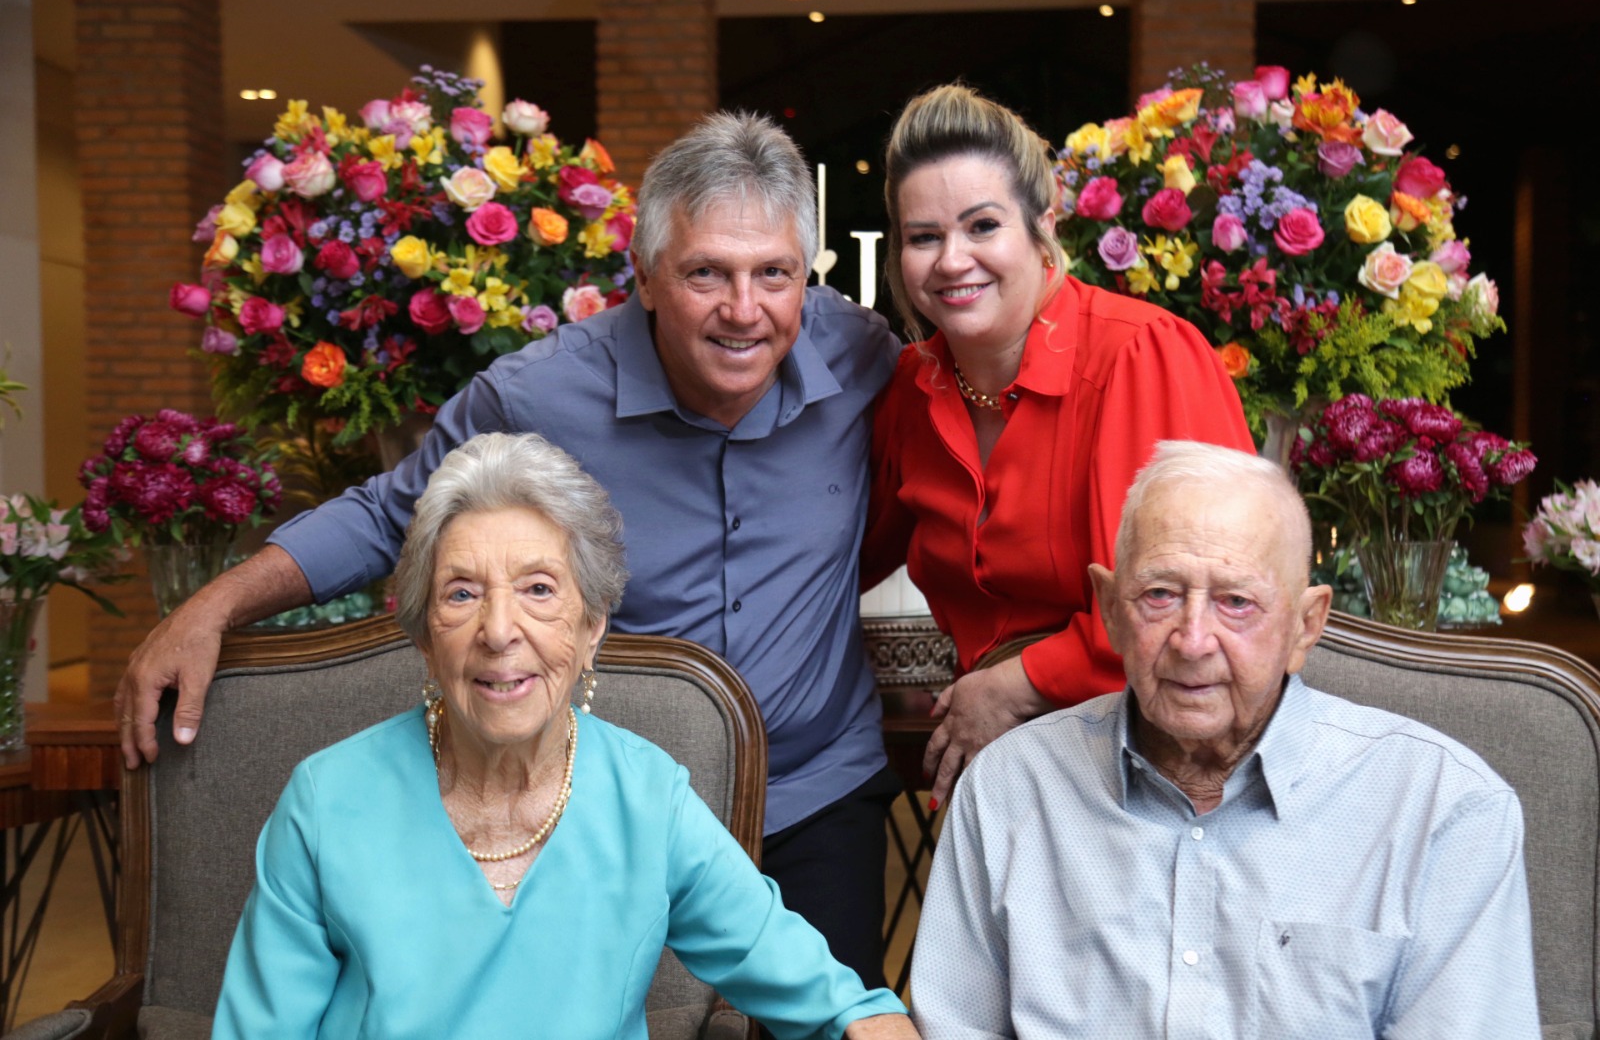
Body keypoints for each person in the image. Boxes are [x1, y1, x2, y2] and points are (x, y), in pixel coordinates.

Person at [118, 112, 903, 989]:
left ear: (809, 277)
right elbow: (390, 516)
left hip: (818, 789)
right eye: (705, 274)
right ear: (643, 277)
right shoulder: (541, 392)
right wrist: (210, 607)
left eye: (774, 275)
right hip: (608, 806)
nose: (743, 310)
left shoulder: (866, 356)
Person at [212, 432, 917, 1040]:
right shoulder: (328, 801)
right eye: (461, 593)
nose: (498, 630)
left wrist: (872, 1022)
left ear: (592, 628)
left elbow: (819, 990)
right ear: (425, 637)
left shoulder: (647, 799)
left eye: (539, 589)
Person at [909, 440, 1539, 1038]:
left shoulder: (1442, 810)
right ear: (1109, 609)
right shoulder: (1010, 789)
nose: (1192, 639)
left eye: (1236, 602)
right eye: (1160, 594)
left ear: (1304, 625)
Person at [863, 84, 1256, 807]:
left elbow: (1195, 606)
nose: (952, 260)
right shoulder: (910, 391)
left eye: (982, 226)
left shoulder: (1144, 356)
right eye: (924, 237)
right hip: (1002, 770)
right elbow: (840, 557)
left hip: (1162, 765)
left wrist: (1014, 686)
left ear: (1042, 225)